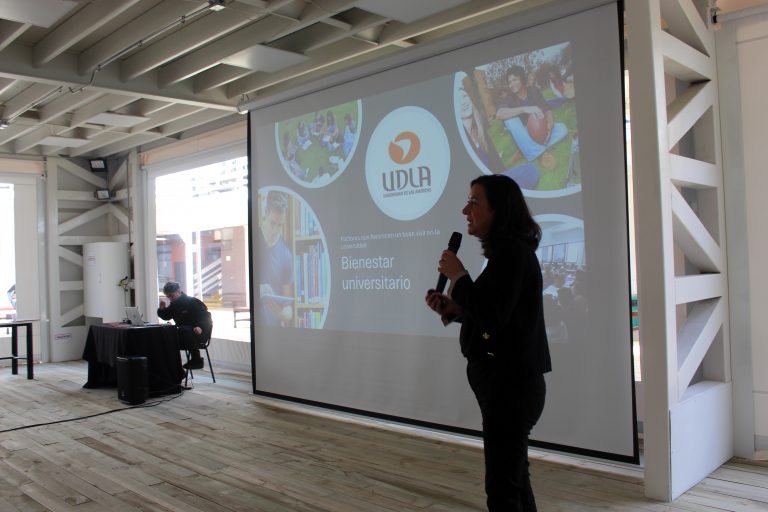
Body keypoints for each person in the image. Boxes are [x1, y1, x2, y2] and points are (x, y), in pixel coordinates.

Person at [425, 174, 551, 511]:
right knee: (514, 481)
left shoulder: (512, 254)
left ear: (500, 211)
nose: (465, 209)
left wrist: (459, 276)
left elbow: (493, 314)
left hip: (510, 387)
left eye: (475, 202)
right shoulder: (505, 255)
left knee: (503, 488)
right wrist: (455, 310)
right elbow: (497, 315)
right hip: (506, 385)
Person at [495, 65, 567, 169]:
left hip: (539, 131)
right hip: (523, 134)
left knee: (563, 129)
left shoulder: (534, 90)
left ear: (522, 79)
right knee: (510, 120)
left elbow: (546, 110)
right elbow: (499, 114)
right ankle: (540, 155)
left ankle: (525, 151)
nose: (511, 84)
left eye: (514, 80)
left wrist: (550, 124)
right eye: (509, 82)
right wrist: (524, 109)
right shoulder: (509, 98)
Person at [157, 281, 212, 370]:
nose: (170, 299)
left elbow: (206, 317)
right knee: (166, 333)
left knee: (183, 330)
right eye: (168, 297)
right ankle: (176, 370)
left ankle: (197, 359)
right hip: (184, 335)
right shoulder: (174, 305)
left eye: (172, 296)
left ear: (178, 291)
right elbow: (166, 316)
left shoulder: (193, 302)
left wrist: (201, 327)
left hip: (199, 334)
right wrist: (161, 309)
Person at [259, 190, 294, 326]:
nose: (275, 231)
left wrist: (281, 313)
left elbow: (288, 310)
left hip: (272, 334)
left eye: (280, 225)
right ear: (265, 213)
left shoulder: (286, 255)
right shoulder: (252, 241)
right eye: (273, 223)